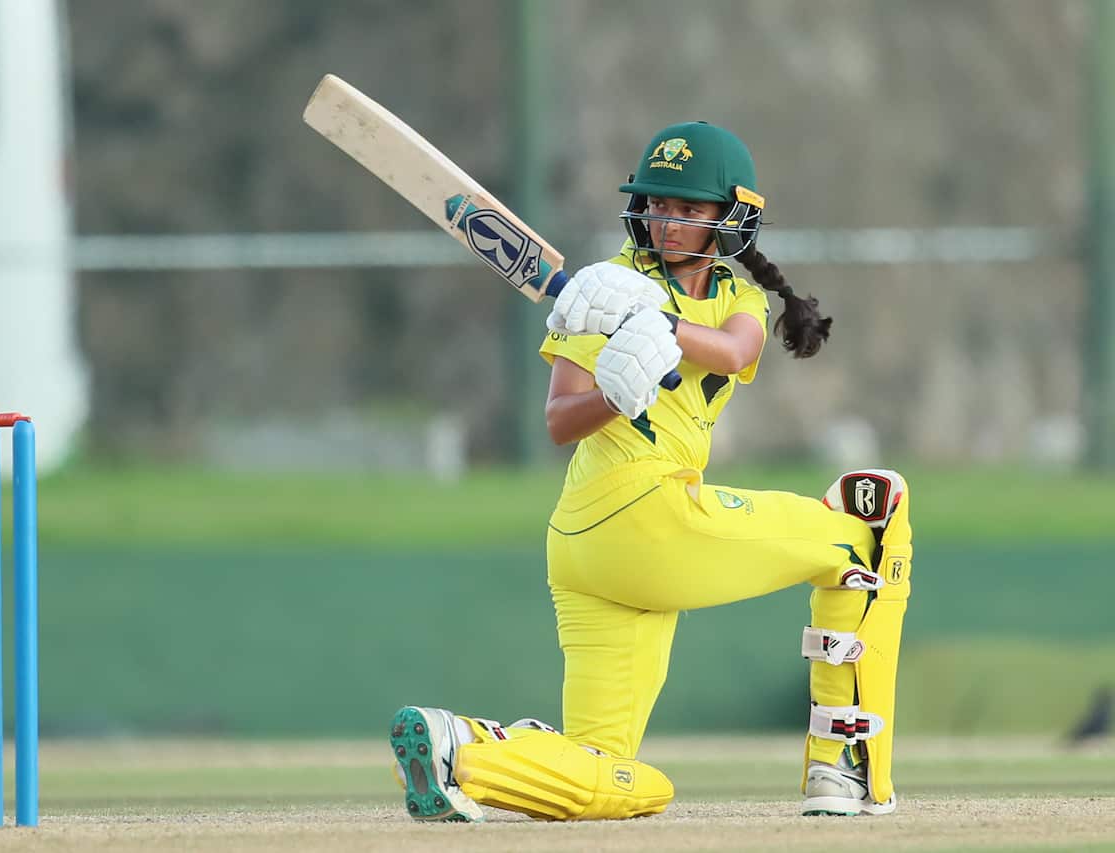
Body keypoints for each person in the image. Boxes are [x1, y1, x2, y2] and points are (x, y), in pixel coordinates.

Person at [389, 121, 912, 821]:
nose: (668, 221)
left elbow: (733, 350)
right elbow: (559, 421)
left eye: (690, 209)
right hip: (639, 514)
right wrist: (615, 390)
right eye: (659, 205)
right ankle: (844, 768)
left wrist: (658, 322)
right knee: (865, 526)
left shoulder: (735, 296)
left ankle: (466, 751)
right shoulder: (604, 287)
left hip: (591, 547)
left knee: (620, 773)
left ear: (729, 218)